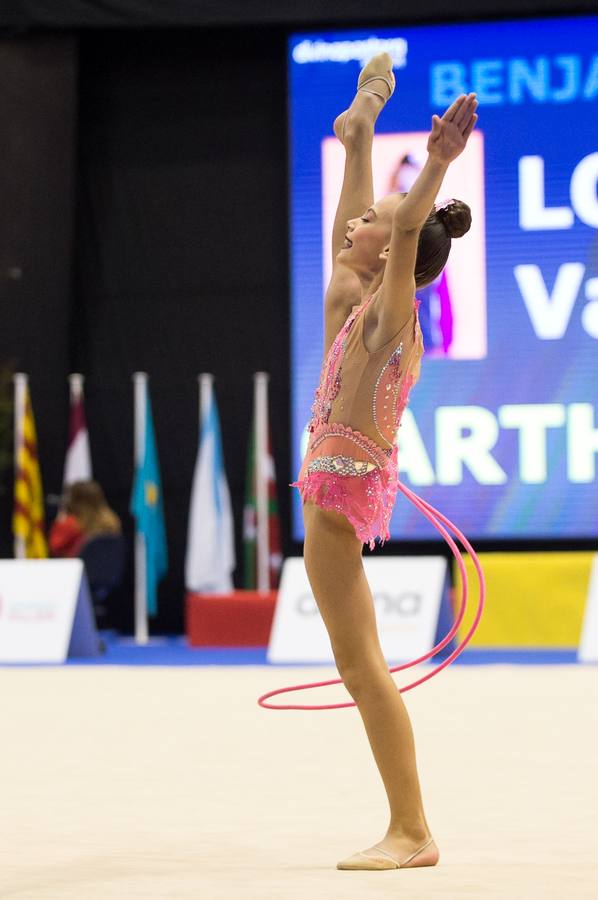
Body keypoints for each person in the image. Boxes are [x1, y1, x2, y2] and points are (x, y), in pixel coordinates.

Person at [290, 53, 477, 871]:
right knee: (339, 279)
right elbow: (365, 243)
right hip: (332, 492)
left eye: (371, 217)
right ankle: (359, 129)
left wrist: (435, 165)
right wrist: (366, 128)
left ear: (394, 252)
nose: (357, 220)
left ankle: (412, 829)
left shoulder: (388, 317)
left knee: (363, 667)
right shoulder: (355, 302)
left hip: (338, 505)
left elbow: (399, 233)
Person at [48, 479, 122, 558]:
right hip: (107, 566)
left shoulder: (69, 524)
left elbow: (53, 547)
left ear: (73, 500)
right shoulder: (112, 521)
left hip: (76, 565)